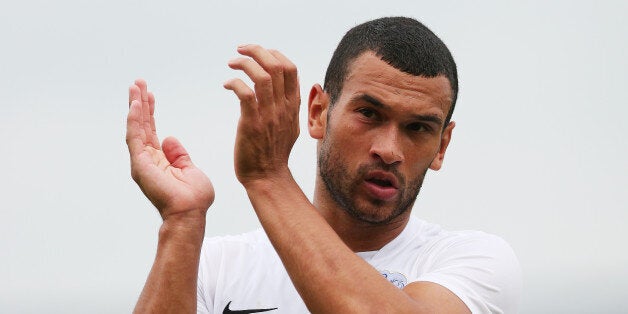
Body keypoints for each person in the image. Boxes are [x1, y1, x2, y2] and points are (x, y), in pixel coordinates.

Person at [126, 17, 521, 314]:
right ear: (318, 112)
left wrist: (268, 177)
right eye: (368, 113)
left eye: (418, 127)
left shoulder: (474, 262)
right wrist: (181, 222)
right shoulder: (217, 265)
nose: (389, 149)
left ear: (442, 146)